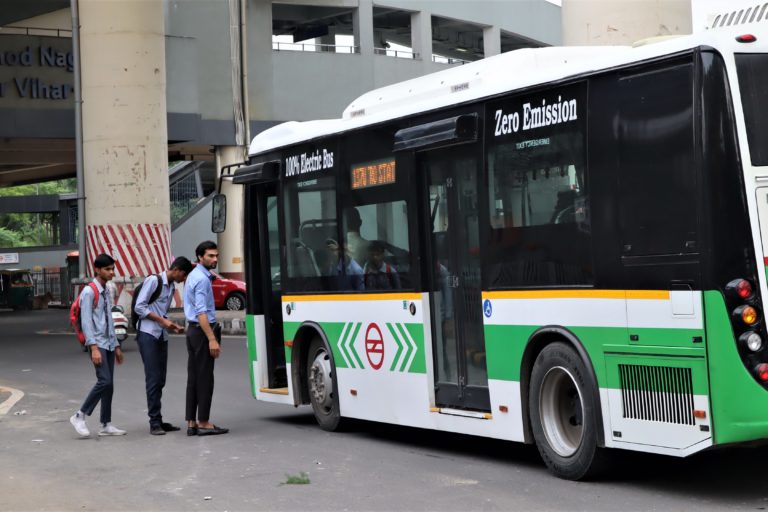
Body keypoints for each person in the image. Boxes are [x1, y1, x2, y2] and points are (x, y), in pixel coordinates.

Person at [134, 256, 194, 435]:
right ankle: (154, 423)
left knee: (161, 379)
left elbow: (161, 313)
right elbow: (139, 307)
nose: (183, 279)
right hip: (147, 334)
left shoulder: (171, 287)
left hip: (161, 334)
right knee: (153, 379)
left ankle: (159, 419)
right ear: (175, 269)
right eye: (183, 275)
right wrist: (162, 321)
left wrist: (170, 325)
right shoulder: (154, 281)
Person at [69, 253, 126, 438]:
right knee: (105, 381)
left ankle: (105, 424)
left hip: (109, 343)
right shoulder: (89, 291)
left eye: (112, 268)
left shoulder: (107, 289)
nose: (112, 272)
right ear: (97, 270)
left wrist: (116, 345)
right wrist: (93, 348)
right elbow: (86, 322)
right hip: (97, 343)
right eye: (107, 269)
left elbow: (109, 317)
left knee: (109, 385)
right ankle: (79, 415)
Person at [183, 241, 228, 436]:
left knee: (194, 377)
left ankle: (191, 422)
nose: (215, 259)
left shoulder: (193, 275)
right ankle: (204, 422)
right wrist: (211, 338)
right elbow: (201, 312)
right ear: (200, 257)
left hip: (192, 331)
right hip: (202, 331)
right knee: (205, 379)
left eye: (216, 256)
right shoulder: (201, 279)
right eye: (210, 256)